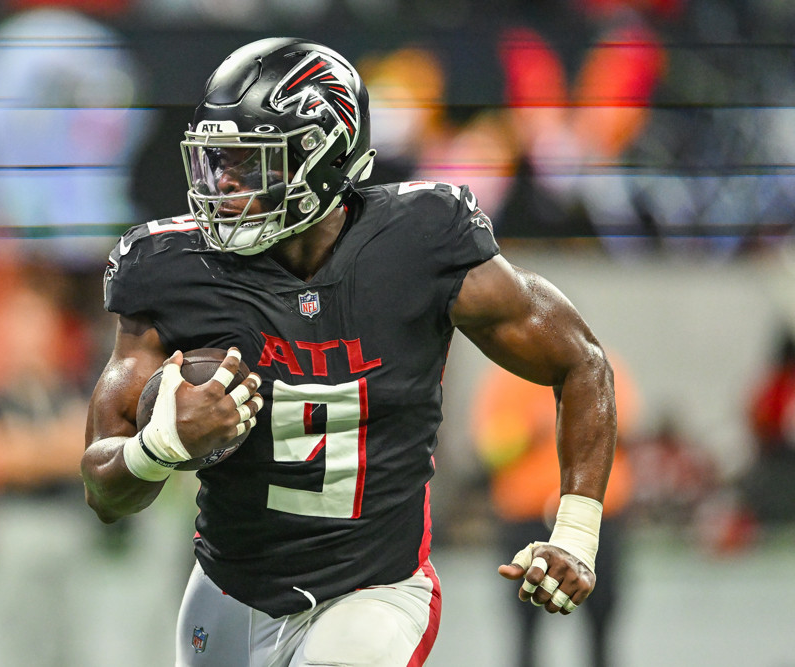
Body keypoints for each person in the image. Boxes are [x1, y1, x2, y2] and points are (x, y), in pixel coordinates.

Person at [80, 37, 618, 666]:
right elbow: (102, 489)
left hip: (374, 591)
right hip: (229, 590)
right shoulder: (173, 269)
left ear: (324, 159)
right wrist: (159, 447)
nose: (223, 183)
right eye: (218, 160)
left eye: (251, 163)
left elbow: (581, 361)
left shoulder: (422, 242)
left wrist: (576, 533)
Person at [471, 357, 638, 667]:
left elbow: (620, 431)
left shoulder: (601, 367)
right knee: (525, 625)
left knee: (601, 622)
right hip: (525, 518)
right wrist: (527, 431)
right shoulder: (507, 378)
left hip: (595, 519)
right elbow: (489, 448)